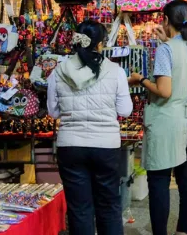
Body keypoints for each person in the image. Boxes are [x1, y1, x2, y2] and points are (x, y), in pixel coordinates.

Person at [47, 20, 132, 235]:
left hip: (70, 146)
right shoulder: (116, 71)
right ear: (101, 44)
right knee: (109, 206)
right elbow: (125, 110)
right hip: (106, 146)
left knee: (79, 209)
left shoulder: (58, 71)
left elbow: (53, 112)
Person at [129, 0, 187, 235]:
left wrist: (139, 79)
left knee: (159, 179)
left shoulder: (166, 50)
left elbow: (164, 91)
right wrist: (167, 42)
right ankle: (184, 230)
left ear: (165, 20)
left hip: (169, 122)